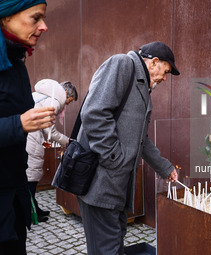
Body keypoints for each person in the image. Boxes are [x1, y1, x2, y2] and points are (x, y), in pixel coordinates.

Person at [77, 41, 180, 255]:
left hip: (116, 188)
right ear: (154, 63)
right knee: (108, 250)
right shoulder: (122, 64)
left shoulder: (142, 85)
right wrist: (116, 159)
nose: (164, 78)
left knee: (113, 246)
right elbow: (94, 113)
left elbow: (141, 140)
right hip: (101, 184)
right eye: (166, 72)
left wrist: (165, 168)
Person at [0, 1, 54, 254]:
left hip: (12, 197)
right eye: (35, 18)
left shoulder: (16, 61)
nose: (44, 26)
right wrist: (19, 124)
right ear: (4, 17)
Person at [26, 79, 78, 222]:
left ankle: (33, 208)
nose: (67, 104)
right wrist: (68, 141)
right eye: (69, 100)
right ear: (66, 93)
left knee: (30, 175)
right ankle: (30, 213)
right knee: (31, 175)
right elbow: (50, 131)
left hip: (28, 134)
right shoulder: (54, 101)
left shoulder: (42, 95)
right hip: (31, 137)